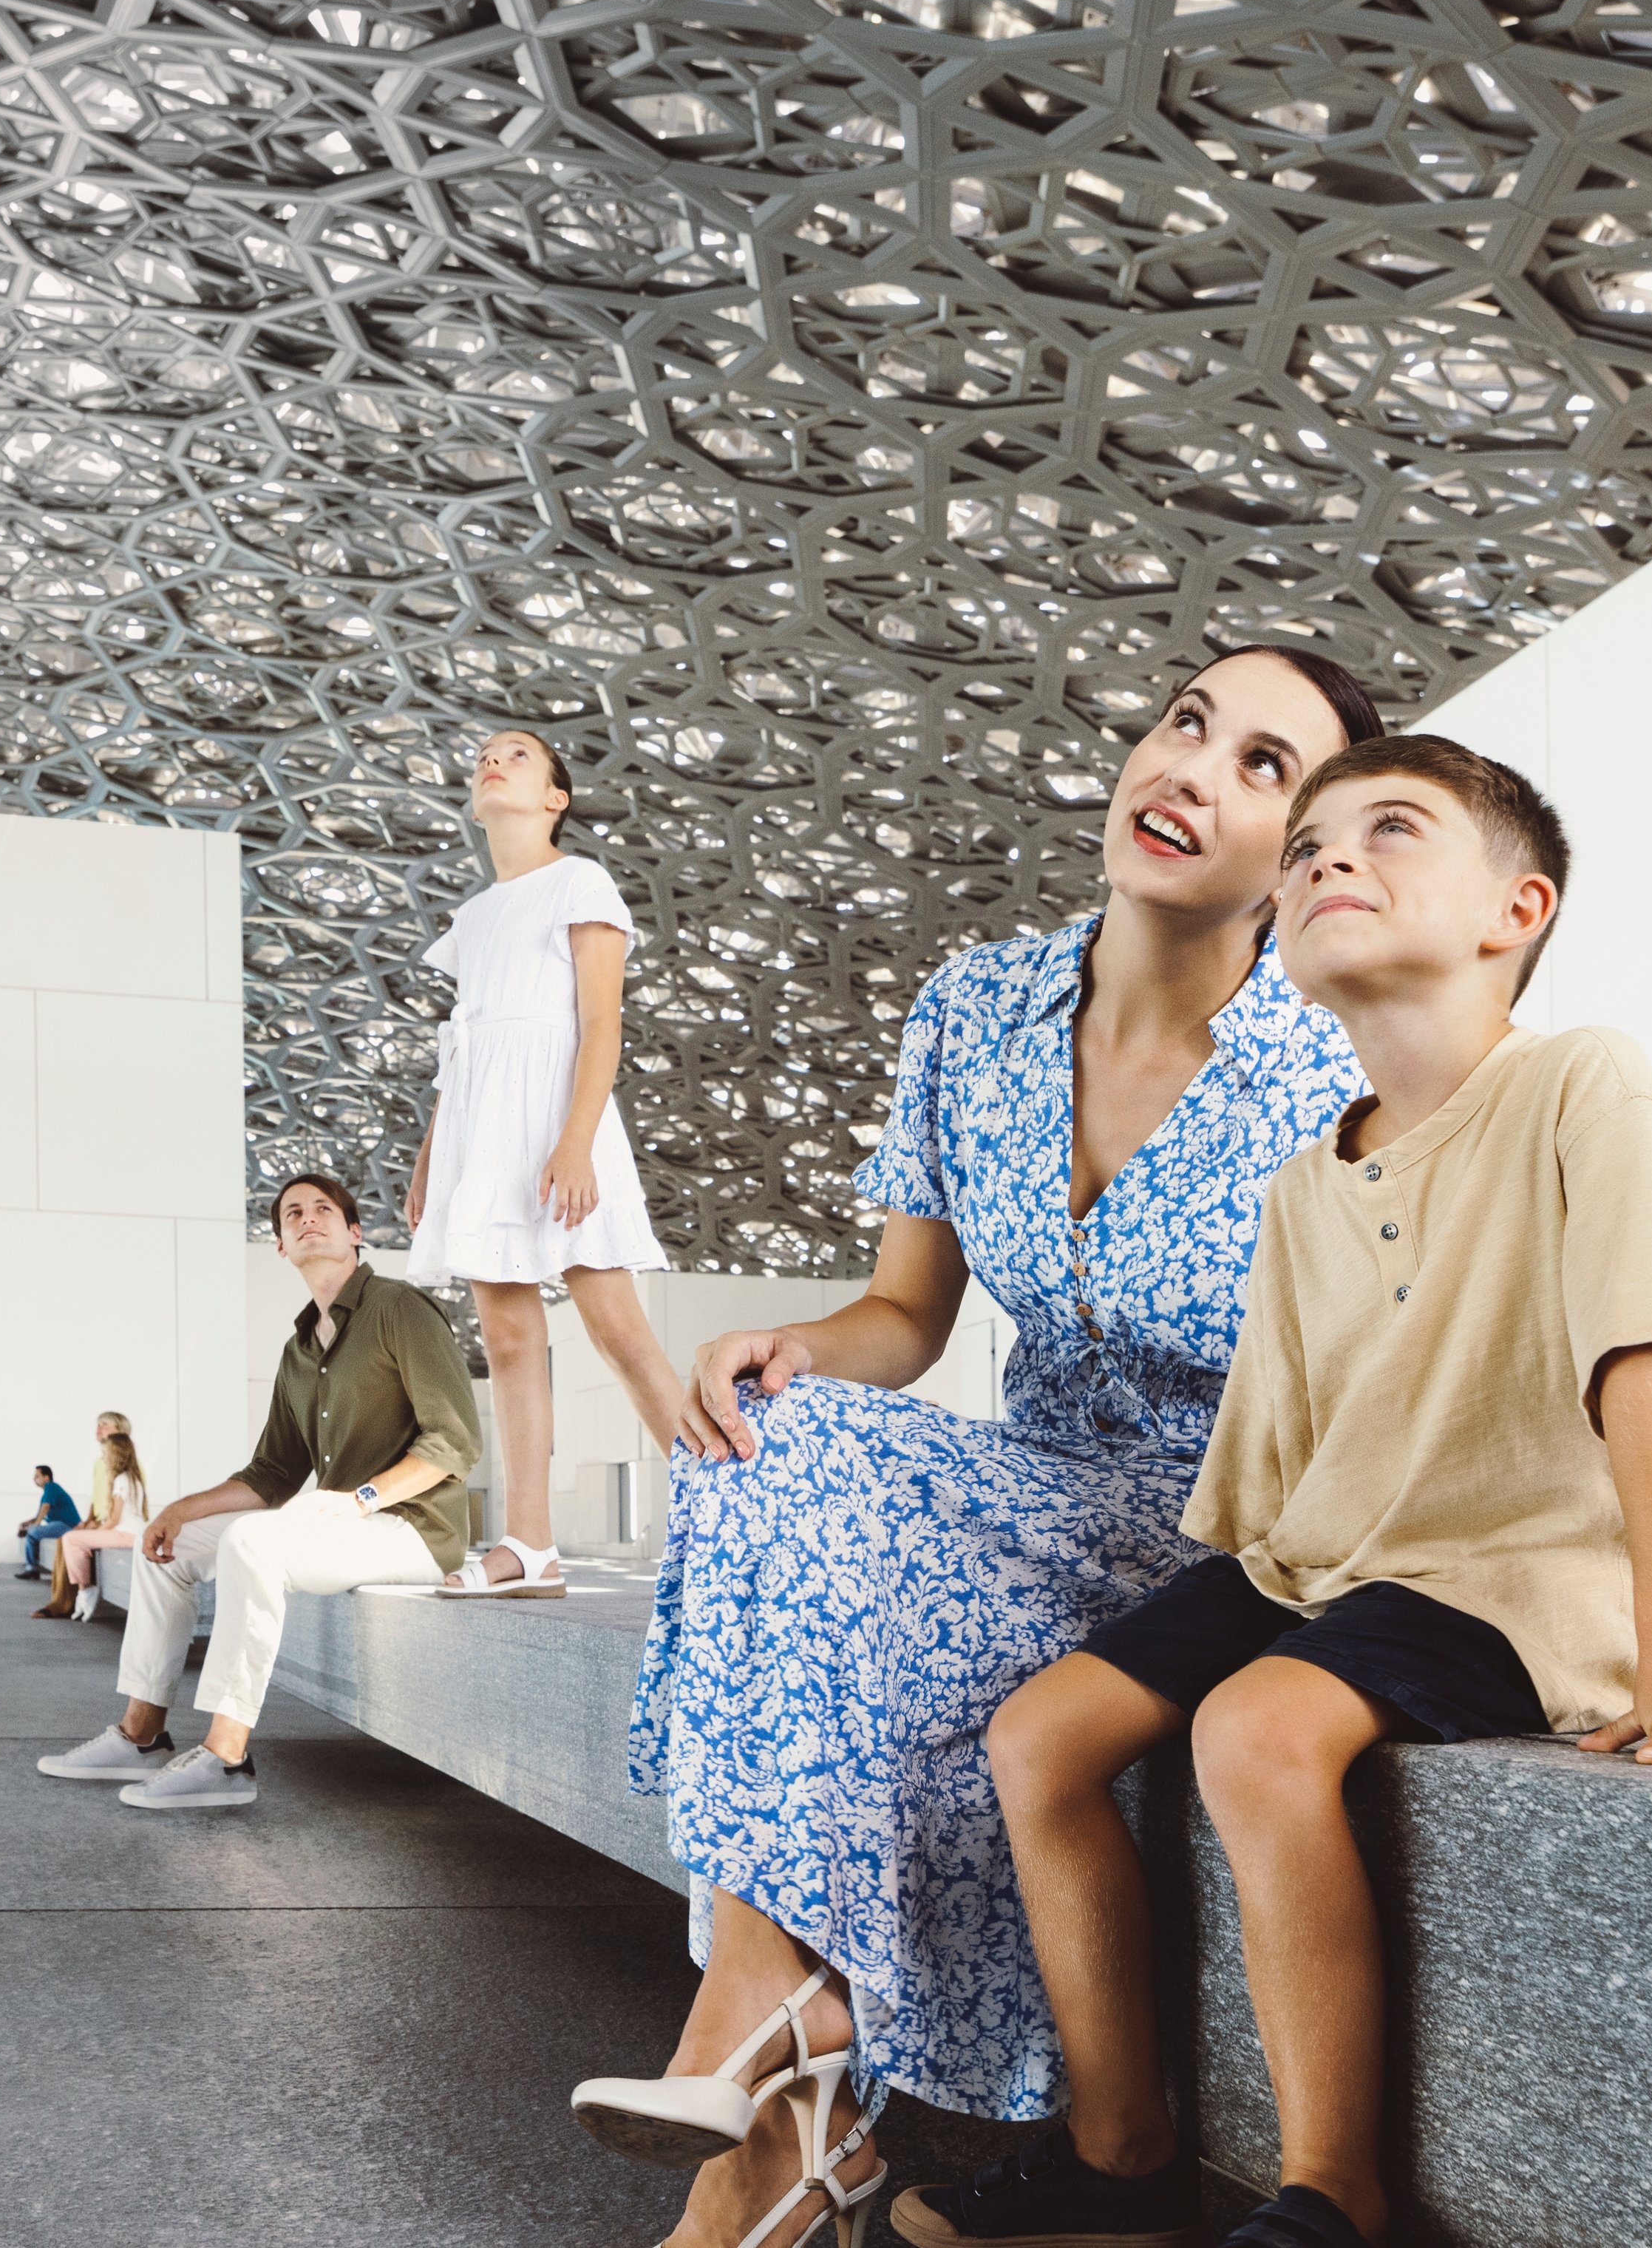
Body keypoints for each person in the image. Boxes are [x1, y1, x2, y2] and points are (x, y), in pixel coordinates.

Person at [891, 733, 1652, 2248]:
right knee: (1041, 1732)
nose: (1329, 855)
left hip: (1503, 1567)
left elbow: (1642, 1349)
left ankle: (1334, 2188)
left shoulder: (1577, 1076)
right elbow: (1271, 1474)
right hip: (1319, 1559)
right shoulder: (1301, 1183)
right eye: (1308, 841)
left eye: (1388, 828)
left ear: (1516, 909)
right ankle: (1119, 2151)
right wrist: (1202, 1612)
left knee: (1256, 1728)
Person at [577, 646, 1384, 2248]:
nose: (1193, 771)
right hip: (1036, 1494)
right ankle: (777, 2061)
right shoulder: (976, 1006)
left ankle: (771, 2064)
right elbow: (907, 1309)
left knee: (805, 1510)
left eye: (1262, 766)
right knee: (767, 1422)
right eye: (1186, 723)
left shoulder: (1339, 1053)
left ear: (1302, 855)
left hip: (1230, 1534)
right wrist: (798, 1344)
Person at [35, 1174, 479, 1811]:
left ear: (355, 1233)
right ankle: (141, 1734)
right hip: (340, 1524)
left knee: (252, 1542)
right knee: (170, 1545)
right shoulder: (298, 1352)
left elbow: (454, 1441)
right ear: (279, 1246)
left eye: (323, 1209)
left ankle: (226, 1755)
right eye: (292, 1212)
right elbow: (274, 1472)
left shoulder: (399, 1309)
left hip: (410, 1528)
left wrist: (359, 1499)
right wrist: (179, 1510)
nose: (307, 1218)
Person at [401, 727, 681, 1597]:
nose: (491, 759)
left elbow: (601, 1024)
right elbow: (464, 1047)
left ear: (556, 796)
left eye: (517, 754)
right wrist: (428, 1159)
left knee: (618, 1330)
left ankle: (740, 1522)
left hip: (561, 1121)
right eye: (482, 752)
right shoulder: (473, 918)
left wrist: (573, 1140)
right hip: (481, 1134)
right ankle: (530, 1545)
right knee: (509, 1337)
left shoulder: (579, 881)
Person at [44, 1419, 151, 1622]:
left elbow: (114, 1519)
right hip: (130, 1532)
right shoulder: (131, 1477)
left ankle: (85, 1589)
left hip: (126, 1534)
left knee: (71, 1539)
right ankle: (82, 1591)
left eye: (106, 1455)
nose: (104, 1459)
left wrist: (96, 1531)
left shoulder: (121, 1480)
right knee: (75, 1539)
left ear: (116, 1456)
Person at [14, 1467, 83, 1580]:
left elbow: (45, 1508)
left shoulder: (51, 1487)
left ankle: (32, 1569)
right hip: (59, 1525)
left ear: (46, 1478)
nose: (34, 1479)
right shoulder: (48, 1492)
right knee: (32, 1531)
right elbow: (40, 1515)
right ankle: (32, 1569)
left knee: (33, 1531)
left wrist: (34, 1526)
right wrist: (25, 1524)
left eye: (37, 1476)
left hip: (68, 1526)